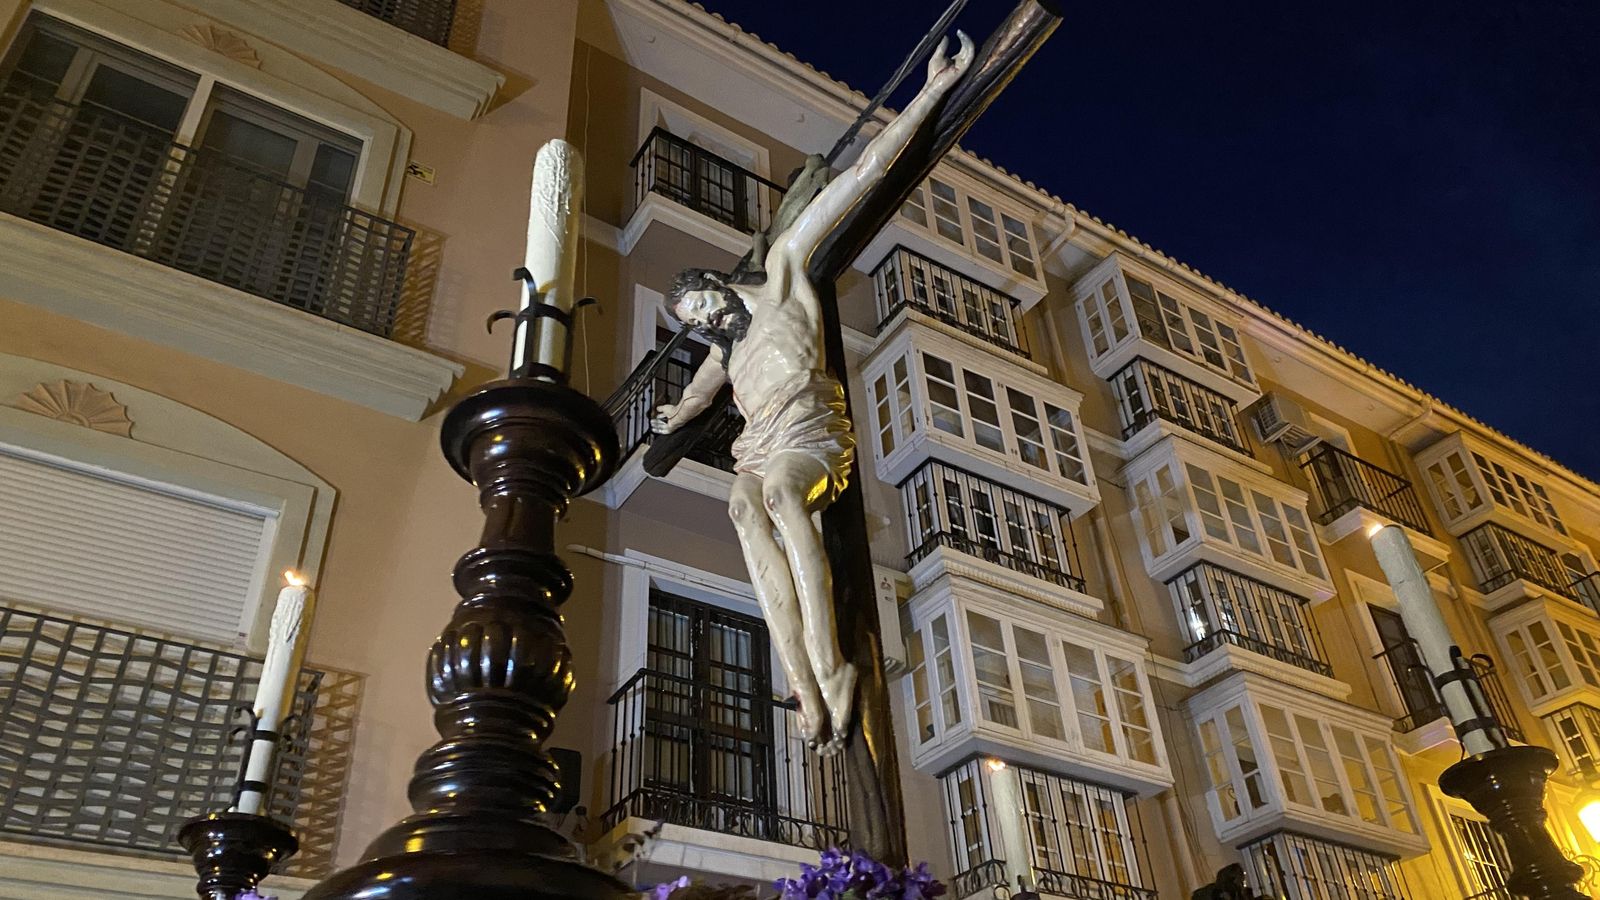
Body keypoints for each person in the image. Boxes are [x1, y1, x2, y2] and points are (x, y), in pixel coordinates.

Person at [652, 31, 974, 755]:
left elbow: (862, 174)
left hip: (810, 429)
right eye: (696, 324)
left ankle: (832, 669)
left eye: (703, 310)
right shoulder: (726, 348)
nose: (707, 325)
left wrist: (932, 89)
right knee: (742, 502)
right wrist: (680, 409)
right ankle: (799, 673)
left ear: (716, 285)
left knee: (776, 499)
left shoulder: (788, 274)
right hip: (761, 439)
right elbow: (700, 396)